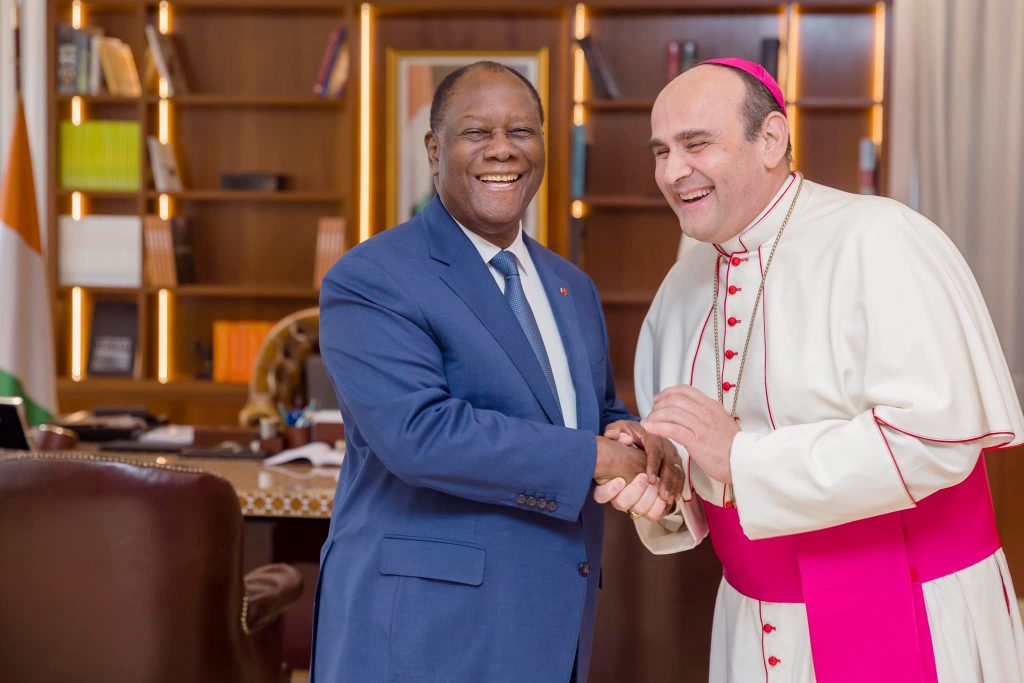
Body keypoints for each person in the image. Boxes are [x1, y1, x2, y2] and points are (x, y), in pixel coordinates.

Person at [597, 58, 1024, 682]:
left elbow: (934, 441)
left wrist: (742, 457)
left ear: (771, 139)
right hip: (753, 620)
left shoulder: (881, 238)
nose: (671, 171)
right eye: (661, 151)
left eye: (696, 144)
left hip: (913, 604)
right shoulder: (682, 283)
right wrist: (658, 476)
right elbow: (700, 482)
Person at [310, 61, 682, 683]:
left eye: (522, 131)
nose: (503, 149)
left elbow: (585, 412)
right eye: (477, 132)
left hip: (550, 622)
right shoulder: (372, 278)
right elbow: (420, 435)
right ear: (435, 150)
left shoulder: (571, 285)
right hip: (422, 635)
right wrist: (596, 456)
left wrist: (629, 435)